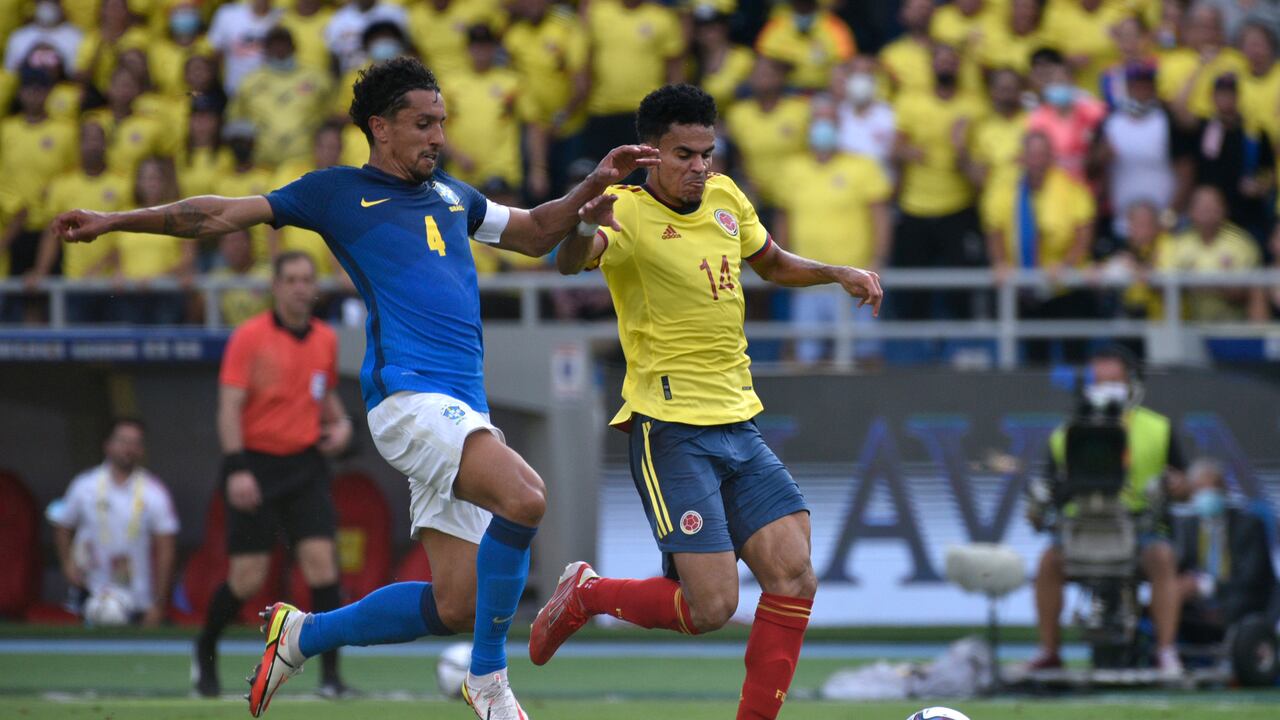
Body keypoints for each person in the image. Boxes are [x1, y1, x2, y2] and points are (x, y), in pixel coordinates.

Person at [53, 56, 657, 720]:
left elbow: (540, 234)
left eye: (442, 124)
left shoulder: (456, 198)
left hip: (460, 407)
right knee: (525, 497)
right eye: (422, 124)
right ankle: (488, 678)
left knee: (455, 605)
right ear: (381, 128)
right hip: (410, 399)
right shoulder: (337, 192)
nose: (436, 137)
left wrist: (591, 187)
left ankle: (304, 634)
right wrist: (115, 221)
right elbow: (220, 214)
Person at [541, 83, 883, 720]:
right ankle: (588, 594)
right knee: (711, 608)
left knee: (795, 574)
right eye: (684, 155)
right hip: (669, 426)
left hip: (738, 421)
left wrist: (836, 272)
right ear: (650, 154)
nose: (700, 166)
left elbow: (773, 263)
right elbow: (569, 263)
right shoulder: (621, 208)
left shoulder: (726, 195)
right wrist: (583, 221)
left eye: (706, 152)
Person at [194, 251, 353, 698]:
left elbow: (324, 399)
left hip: (305, 465)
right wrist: (237, 469)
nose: (301, 287)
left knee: (324, 570)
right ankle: (203, 649)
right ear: (276, 287)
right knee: (246, 577)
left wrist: (342, 428)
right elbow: (228, 410)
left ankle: (332, 677)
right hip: (256, 465)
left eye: (307, 279)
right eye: (292, 279)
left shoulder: (324, 338)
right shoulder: (248, 337)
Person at [1027, 346, 1189, 677]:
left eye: (1113, 380)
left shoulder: (1157, 428)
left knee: (1162, 558)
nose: (1105, 388)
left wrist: (1174, 485)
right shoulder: (1067, 434)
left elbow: (1182, 482)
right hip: (1082, 531)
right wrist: (1038, 508)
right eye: (1098, 380)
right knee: (1047, 563)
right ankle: (1049, 651)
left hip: (1137, 528)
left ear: (1132, 382)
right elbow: (1048, 489)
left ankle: (1166, 651)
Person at [777, 100, 891, 364]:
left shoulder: (863, 166)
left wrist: (879, 259)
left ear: (839, 126)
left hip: (856, 278)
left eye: (830, 121)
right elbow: (783, 219)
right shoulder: (792, 169)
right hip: (807, 279)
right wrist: (781, 264)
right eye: (818, 120)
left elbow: (880, 217)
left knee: (867, 356)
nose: (823, 127)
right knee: (807, 358)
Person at [46, 418, 179, 627]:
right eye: (123, 441)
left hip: (138, 597)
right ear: (107, 445)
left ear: (142, 449)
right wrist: (67, 564)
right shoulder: (84, 485)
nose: (129, 448)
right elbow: (62, 525)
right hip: (91, 591)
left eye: (136, 442)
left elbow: (166, 547)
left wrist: (160, 602)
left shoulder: (154, 491)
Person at [1175, 458, 1280, 629]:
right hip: (1198, 609)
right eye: (1201, 488)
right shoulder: (1187, 527)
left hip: (1244, 606)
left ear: (1224, 488)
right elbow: (1181, 565)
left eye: (1213, 486)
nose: (1207, 494)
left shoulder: (1249, 525)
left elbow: (1251, 581)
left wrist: (1206, 585)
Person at [229, 26, 333, 167]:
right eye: (274, 45)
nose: (279, 49)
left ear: (294, 47)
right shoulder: (250, 82)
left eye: (284, 44)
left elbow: (331, 116)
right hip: (262, 165)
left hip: (304, 163)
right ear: (266, 49)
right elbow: (235, 120)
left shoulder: (317, 78)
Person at [1157, 185, 1262, 323]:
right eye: (1201, 205)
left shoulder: (1242, 243)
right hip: (1187, 328)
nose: (1206, 209)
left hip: (1232, 328)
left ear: (1224, 209)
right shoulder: (1178, 243)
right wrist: (1220, 281)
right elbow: (1162, 287)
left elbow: (1246, 294)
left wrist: (1194, 281)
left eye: (1212, 204)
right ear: (1190, 211)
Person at [754, 0, 856, 91]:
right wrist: (781, 65)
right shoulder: (777, 24)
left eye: (807, 4)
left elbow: (844, 62)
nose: (803, 8)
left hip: (822, 91)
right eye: (799, 3)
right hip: (785, 92)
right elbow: (764, 59)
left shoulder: (835, 26)